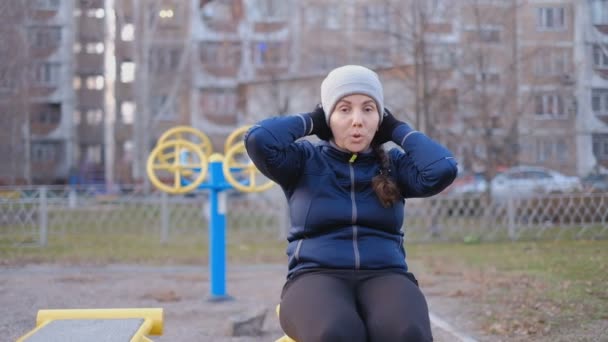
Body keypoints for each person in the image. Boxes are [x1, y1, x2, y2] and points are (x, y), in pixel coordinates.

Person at [245, 65, 457, 342]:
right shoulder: (303, 161)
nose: (357, 120)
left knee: (407, 333)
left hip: (385, 274)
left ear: (379, 118)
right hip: (314, 276)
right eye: (344, 109)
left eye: (368, 109)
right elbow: (258, 139)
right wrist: (312, 120)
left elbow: (443, 168)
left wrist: (396, 129)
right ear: (328, 116)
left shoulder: (394, 165)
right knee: (337, 333)